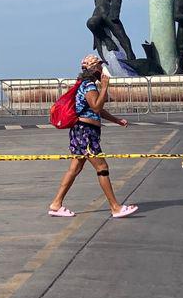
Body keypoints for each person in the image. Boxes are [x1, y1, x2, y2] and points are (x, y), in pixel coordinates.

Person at [49, 54, 137, 219]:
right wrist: (104, 87)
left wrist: (116, 120)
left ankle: (56, 204)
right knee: (102, 168)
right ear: (93, 68)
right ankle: (115, 207)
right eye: (100, 66)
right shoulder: (89, 85)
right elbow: (96, 107)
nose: (102, 69)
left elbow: (98, 109)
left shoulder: (84, 84)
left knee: (75, 168)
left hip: (81, 131)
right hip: (85, 132)